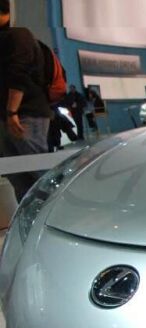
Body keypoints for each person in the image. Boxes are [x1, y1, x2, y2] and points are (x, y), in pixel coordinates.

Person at [0, 0, 52, 201]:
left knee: (41, 175)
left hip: (25, 115)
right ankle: (30, 217)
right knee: (18, 178)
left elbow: (18, 74)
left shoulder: (19, 35)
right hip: (7, 117)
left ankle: (63, 213)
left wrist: (12, 111)